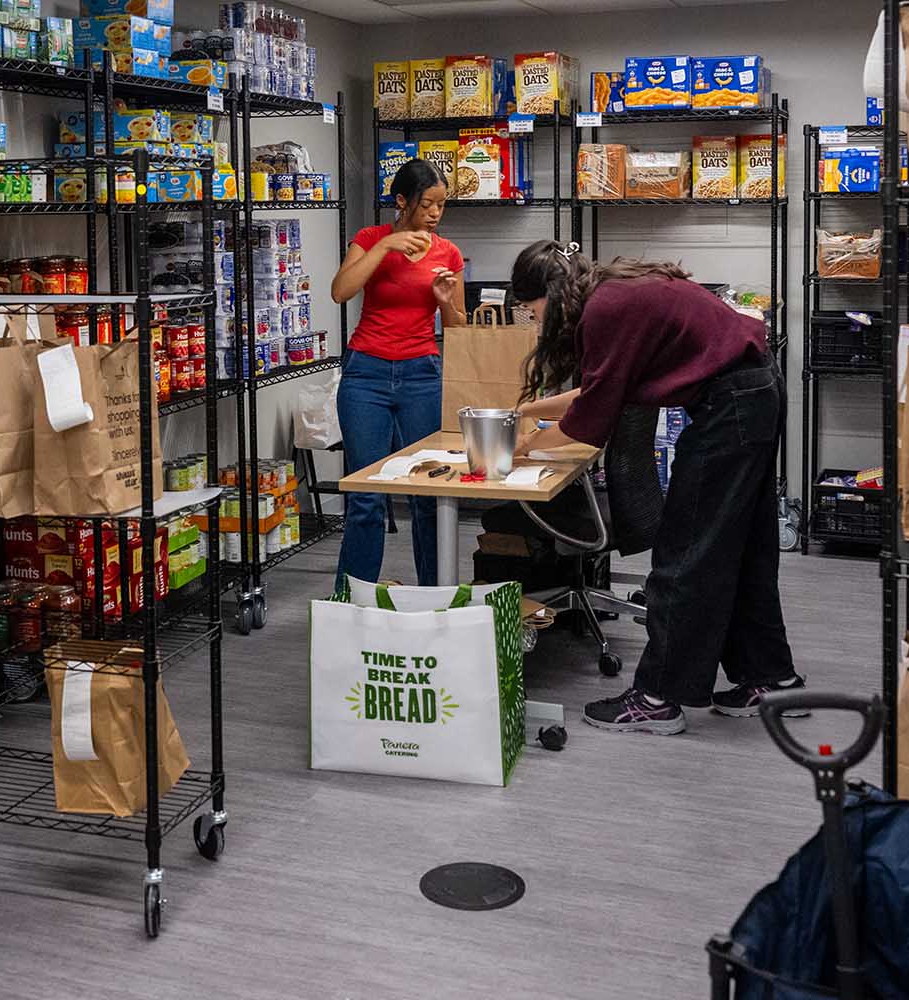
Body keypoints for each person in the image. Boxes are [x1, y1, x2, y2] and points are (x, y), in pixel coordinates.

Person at [507, 240, 801, 734]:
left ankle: (657, 698)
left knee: (686, 553)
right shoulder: (612, 292)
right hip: (753, 390)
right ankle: (770, 677)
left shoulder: (604, 310)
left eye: (530, 309)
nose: (534, 321)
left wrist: (517, 451)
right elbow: (605, 390)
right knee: (744, 549)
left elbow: (590, 425)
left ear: (549, 295)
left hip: (730, 406)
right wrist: (529, 413)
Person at [329, 158, 466, 585]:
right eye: (427, 204)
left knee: (428, 494)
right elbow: (340, 292)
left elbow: (459, 328)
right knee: (366, 496)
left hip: (421, 375)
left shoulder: (448, 253)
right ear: (401, 201)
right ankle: (352, 600)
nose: (434, 214)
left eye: (441, 206)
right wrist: (385, 247)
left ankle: (434, 597)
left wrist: (444, 300)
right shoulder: (370, 239)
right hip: (364, 375)